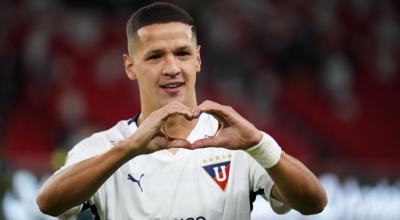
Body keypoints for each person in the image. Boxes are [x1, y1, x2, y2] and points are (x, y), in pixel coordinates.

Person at [36, 2, 327, 220]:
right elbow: (48, 203)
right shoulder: (107, 147)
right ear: (129, 66)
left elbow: (314, 203)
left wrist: (259, 144)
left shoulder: (236, 142)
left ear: (198, 58)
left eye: (182, 53)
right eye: (155, 56)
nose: (172, 68)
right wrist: (128, 150)